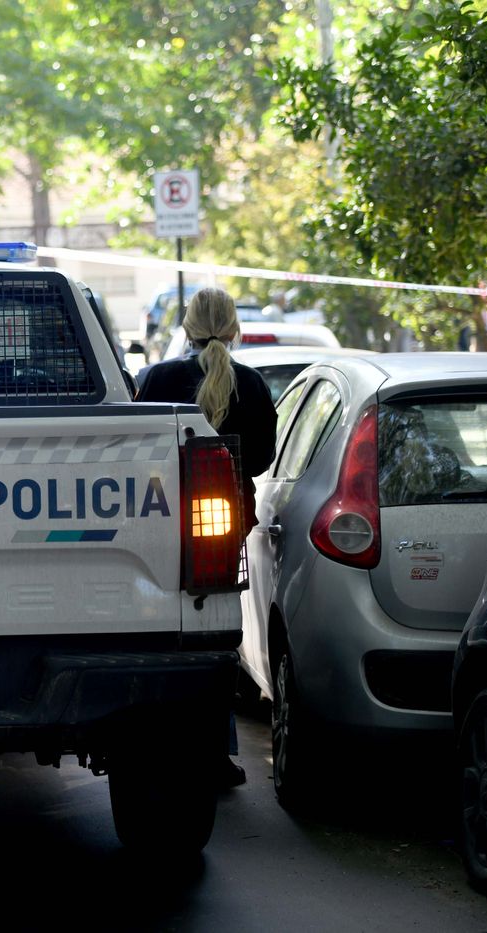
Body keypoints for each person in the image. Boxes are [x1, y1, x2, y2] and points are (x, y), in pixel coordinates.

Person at [135, 287, 277, 789]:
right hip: (223, 530)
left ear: (187, 329)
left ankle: (153, 745)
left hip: (157, 522)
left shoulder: (157, 378)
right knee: (216, 636)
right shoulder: (254, 386)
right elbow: (259, 460)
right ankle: (216, 752)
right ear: (234, 328)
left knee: (159, 634)